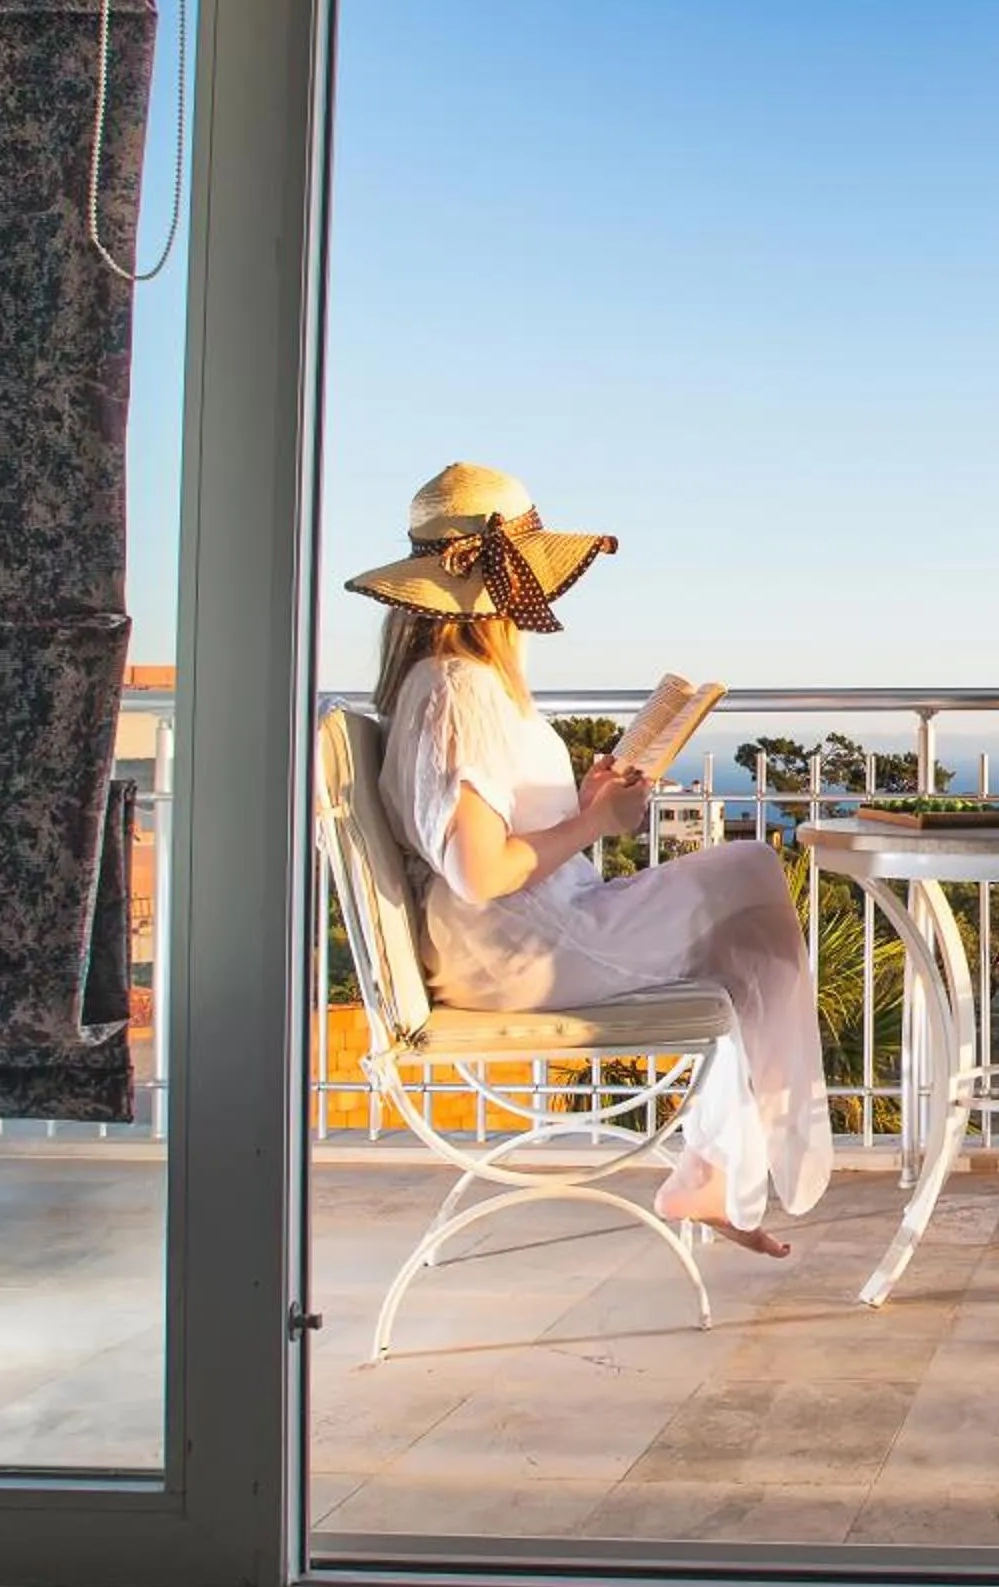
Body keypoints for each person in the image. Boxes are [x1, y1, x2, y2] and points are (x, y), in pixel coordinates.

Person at [345, 461, 830, 1255]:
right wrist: (596, 821)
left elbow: (482, 837)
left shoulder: (443, 686)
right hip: (521, 950)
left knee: (747, 916)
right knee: (749, 883)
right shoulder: (457, 690)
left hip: (523, 935)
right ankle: (737, 1155)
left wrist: (584, 802)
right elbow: (479, 870)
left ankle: (722, 1165)